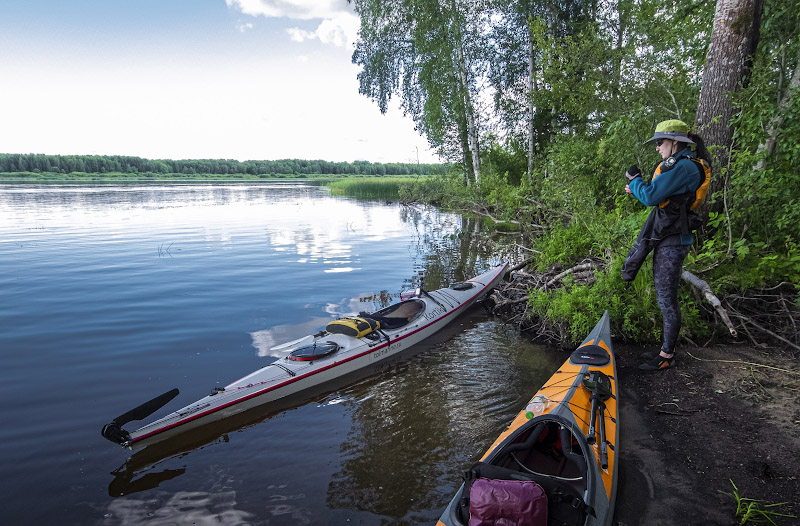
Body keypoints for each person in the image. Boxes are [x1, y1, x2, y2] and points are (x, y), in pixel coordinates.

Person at [621, 119, 711, 371]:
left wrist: (635, 179)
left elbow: (650, 196)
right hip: (668, 237)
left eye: (660, 142)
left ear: (675, 142)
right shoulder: (681, 166)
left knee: (666, 298)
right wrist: (637, 188)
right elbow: (657, 195)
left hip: (672, 240)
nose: (658, 148)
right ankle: (665, 350)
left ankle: (667, 356)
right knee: (664, 295)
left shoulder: (684, 168)